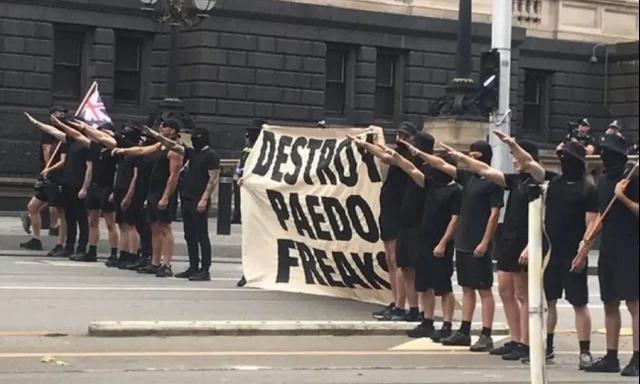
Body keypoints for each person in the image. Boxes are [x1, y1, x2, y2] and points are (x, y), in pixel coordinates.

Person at [457, 133, 540, 361]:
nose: (513, 160)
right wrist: (459, 156)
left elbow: (542, 218)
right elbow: (486, 171)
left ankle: (526, 342)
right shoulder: (515, 180)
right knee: (505, 290)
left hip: (524, 241)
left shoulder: (537, 179)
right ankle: (515, 339)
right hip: (508, 240)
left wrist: (513, 143)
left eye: (516, 157)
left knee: (522, 293)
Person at [414, 140, 503, 351]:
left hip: (478, 242)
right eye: (469, 154)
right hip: (463, 241)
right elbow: (442, 165)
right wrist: (419, 152)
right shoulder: (467, 178)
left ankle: (486, 333)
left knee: (484, 289)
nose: (471, 158)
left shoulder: (493, 181)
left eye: (476, 155)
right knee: (467, 288)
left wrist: (485, 241)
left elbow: (495, 213)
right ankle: (464, 330)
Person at [372, 134, 461, 340]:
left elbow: (455, 219)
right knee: (424, 284)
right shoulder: (429, 184)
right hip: (424, 239)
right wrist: (397, 154)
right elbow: (409, 168)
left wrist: (443, 242)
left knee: (442, 285)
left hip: (440, 243)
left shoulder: (455, 190)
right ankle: (427, 321)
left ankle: (447, 324)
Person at [520, 140, 597, 370]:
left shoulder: (587, 188)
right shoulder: (554, 182)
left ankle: (585, 352)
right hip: (551, 253)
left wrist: (583, 251)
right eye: (561, 158)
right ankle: (548, 347)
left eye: (567, 158)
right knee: (549, 302)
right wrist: (512, 145)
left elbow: (592, 223)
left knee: (579, 303)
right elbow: (530, 165)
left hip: (573, 253)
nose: (564, 162)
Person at [584, 134, 639, 377]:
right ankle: (611, 355)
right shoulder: (603, 180)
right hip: (608, 248)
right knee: (610, 303)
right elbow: (599, 215)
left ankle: (637, 358)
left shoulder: (632, 180)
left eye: (608, 152)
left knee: (634, 304)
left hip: (631, 248)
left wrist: (623, 197)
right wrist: (586, 241)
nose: (604, 156)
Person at [145, 126, 220, 281]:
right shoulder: (192, 153)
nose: (194, 140)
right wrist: (154, 135)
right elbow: (173, 145)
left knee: (201, 235)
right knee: (189, 235)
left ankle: (205, 269)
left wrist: (204, 198)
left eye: (197, 137)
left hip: (199, 199)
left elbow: (213, 179)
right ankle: (193, 267)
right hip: (187, 197)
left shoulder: (211, 155)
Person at [112, 118, 184, 277]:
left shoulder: (175, 149)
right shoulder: (161, 145)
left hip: (164, 191)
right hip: (153, 189)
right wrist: (123, 151)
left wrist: (166, 196)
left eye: (164, 126)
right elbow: (142, 151)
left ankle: (167, 264)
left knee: (165, 227)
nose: (161, 127)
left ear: (172, 130)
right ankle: (155, 262)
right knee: (154, 227)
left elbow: (174, 176)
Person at [51, 117, 119, 263]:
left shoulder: (115, 149)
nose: (99, 135)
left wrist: (114, 191)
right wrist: (63, 124)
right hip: (94, 186)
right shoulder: (94, 147)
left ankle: (114, 253)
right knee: (92, 221)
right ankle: (92, 250)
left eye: (103, 133)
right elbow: (76, 136)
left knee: (110, 223)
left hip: (106, 187)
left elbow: (118, 172)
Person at [25, 113, 92, 261]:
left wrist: (85, 188)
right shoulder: (70, 141)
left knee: (82, 219)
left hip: (79, 186)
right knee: (69, 217)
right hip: (67, 184)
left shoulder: (88, 143)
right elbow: (53, 131)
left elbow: (89, 168)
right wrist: (37, 123)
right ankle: (69, 247)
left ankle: (82, 248)